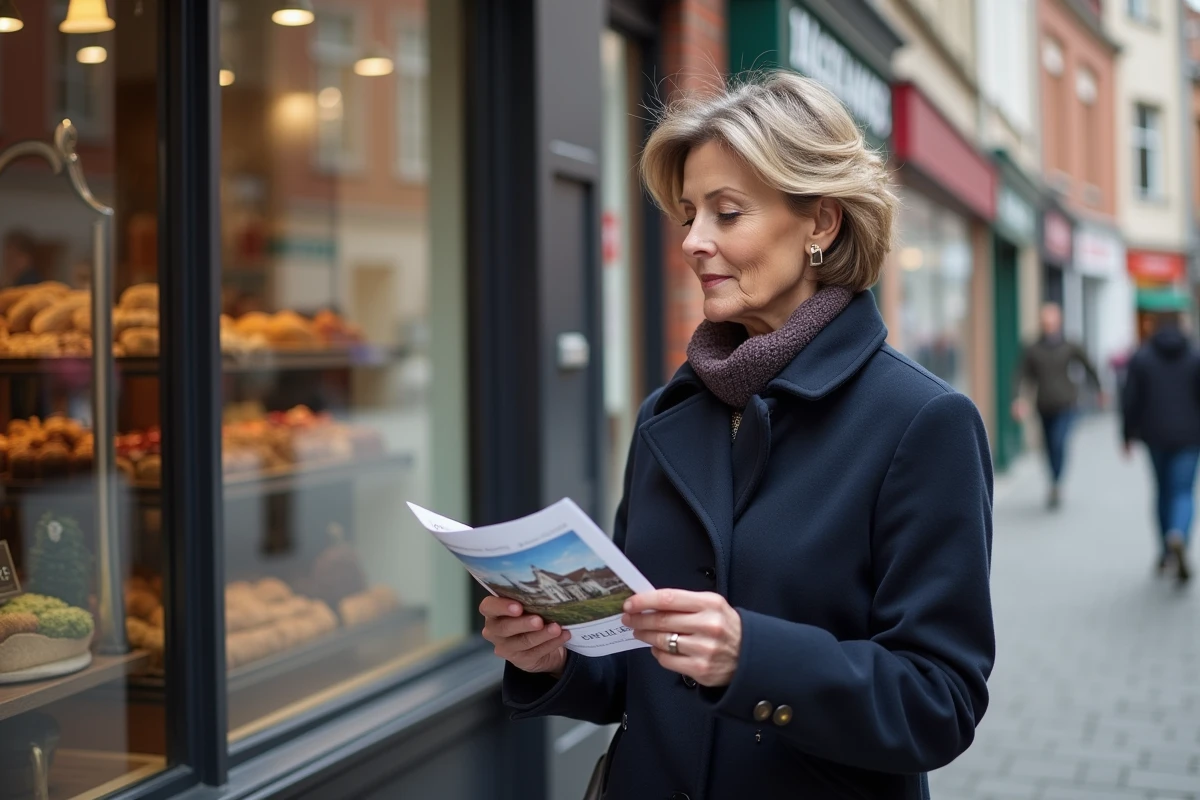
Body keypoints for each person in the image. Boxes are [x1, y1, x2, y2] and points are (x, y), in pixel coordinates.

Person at [482, 72, 994, 799]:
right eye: (689, 214)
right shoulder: (668, 414)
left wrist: (752, 658)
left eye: (728, 213)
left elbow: (938, 703)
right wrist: (554, 657)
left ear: (821, 223)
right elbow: (636, 668)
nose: (693, 241)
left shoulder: (922, 421)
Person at [1120, 312, 1200, 584]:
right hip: (1190, 436)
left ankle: (1166, 551)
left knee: (1163, 491)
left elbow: (1130, 399)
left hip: (1154, 436)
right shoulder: (1194, 356)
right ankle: (1178, 533)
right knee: (1183, 491)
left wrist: (1126, 434)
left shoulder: (1142, 358)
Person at [1012, 303, 1103, 509]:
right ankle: (1053, 480)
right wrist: (1018, 399)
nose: (1049, 326)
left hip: (1067, 404)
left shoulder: (1070, 345)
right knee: (1049, 446)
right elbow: (1021, 375)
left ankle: (1057, 481)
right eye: (1045, 322)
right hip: (1044, 405)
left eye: (1052, 322)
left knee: (1059, 441)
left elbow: (1088, 365)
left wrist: (1099, 389)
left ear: (1059, 322)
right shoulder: (1033, 348)